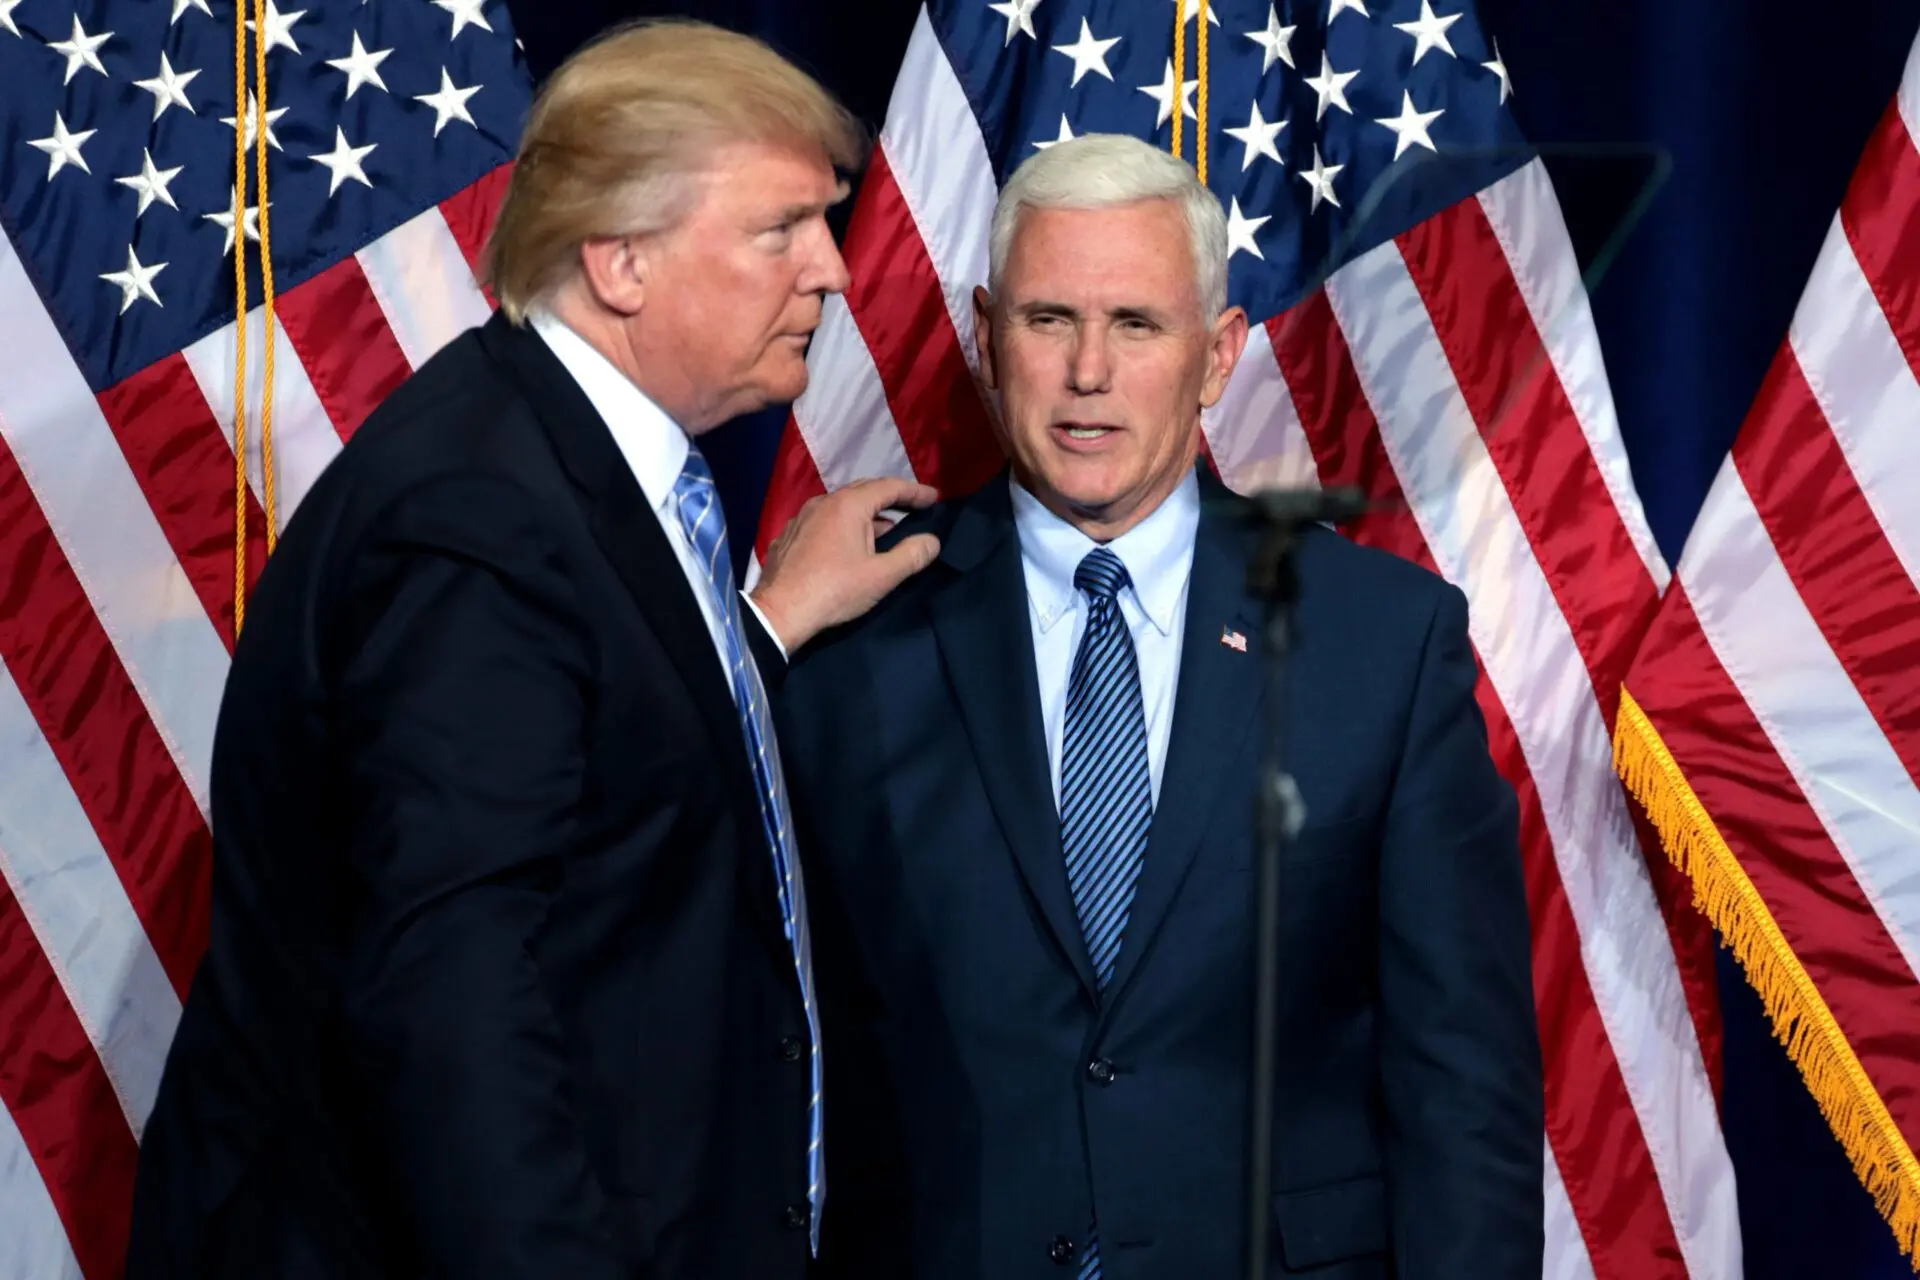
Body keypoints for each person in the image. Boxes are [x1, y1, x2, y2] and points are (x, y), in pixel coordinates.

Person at [125, 20, 939, 1280]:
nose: (834, 269)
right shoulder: (478, 521)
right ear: (620, 261)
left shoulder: (554, 454)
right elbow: (453, 1001)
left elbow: (595, 794)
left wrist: (762, 634)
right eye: (782, 228)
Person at [775, 133, 1544, 1279]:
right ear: (986, 336)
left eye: (1136, 324)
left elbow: (1464, 1089)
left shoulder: (1382, 640)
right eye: (1047, 320)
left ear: (1219, 353)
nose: (1090, 371)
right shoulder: (847, 630)